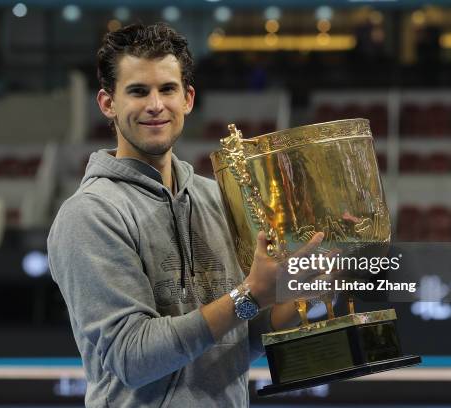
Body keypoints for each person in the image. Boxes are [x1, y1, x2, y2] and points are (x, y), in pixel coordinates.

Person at [47, 23, 323, 407]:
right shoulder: (90, 214)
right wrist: (249, 295)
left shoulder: (217, 198)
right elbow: (133, 358)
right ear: (108, 103)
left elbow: (239, 338)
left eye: (167, 89)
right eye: (138, 91)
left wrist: (295, 295)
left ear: (188, 98)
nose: (155, 105)